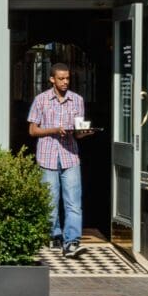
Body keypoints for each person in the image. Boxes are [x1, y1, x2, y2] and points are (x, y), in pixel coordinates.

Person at [25, 62, 92, 255]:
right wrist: (54, 130)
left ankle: (72, 241)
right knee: (50, 200)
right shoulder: (41, 100)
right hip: (47, 157)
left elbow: (78, 132)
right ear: (52, 79)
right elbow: (32, 130)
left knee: (73, 202)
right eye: (61, 78)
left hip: (70, 157)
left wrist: (84, 132)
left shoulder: (77, 100)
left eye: (67, 78)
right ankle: (54, 234)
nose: (65, 82)